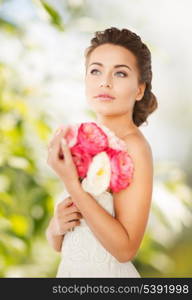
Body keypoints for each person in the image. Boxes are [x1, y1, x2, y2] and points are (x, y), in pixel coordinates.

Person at [45, 27, 158, 277]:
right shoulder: (80, 140)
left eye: (120, 73)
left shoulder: (135, 147)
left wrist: (72, 184)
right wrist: (56, 227)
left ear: (139, 90)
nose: (105, 82)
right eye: (95, 70)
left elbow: (125, 250)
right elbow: (66, 243)